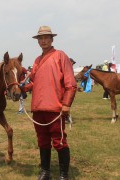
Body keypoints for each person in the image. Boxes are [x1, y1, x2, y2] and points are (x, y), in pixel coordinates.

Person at [21, 26, 77, 179]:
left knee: (59, 141)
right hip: (38, 108)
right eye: (40, 38)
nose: (43, 40)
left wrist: (66, 104)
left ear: (52, 39)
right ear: (37, 41)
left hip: (55, 107)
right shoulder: (37, 60)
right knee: (42, 141)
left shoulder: (60, 56)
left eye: (46, 37)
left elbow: (70, 83)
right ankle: (45, 172)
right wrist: (22, 89)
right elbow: (34, 82)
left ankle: (64, 175)